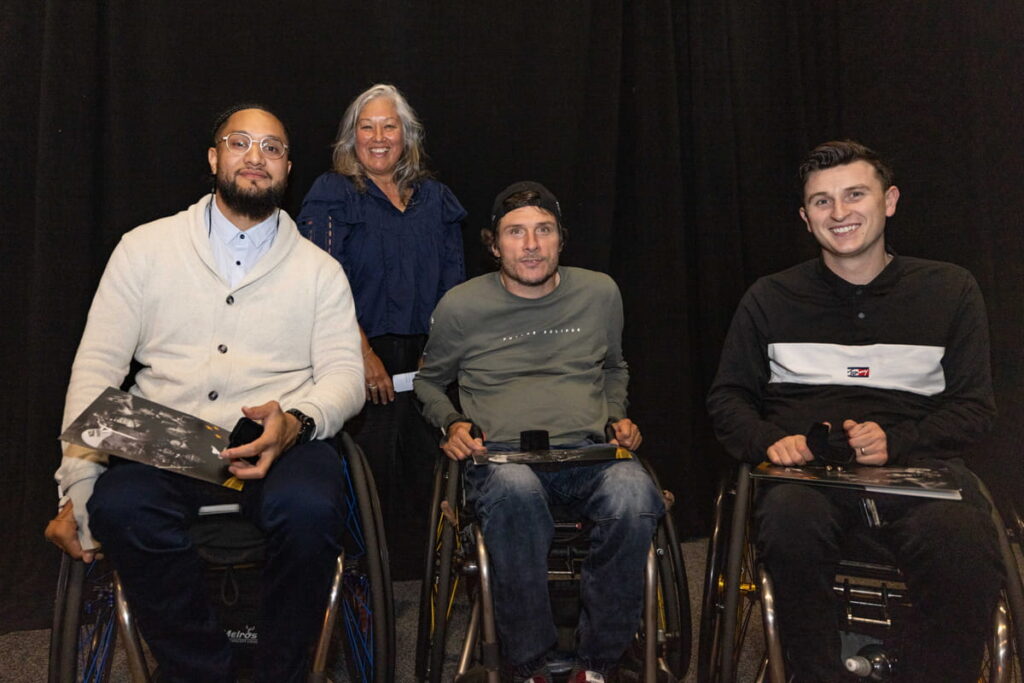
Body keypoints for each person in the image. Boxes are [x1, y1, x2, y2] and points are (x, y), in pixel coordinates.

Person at [44, 103, 365, 683]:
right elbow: (96, 369)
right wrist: (77, 486)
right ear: (214, 157)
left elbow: (344, 375)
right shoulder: (144, 249)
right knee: (119, 507)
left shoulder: (320, 272)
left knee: (313, 509)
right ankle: (198, 668)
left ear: (287, 168)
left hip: (279, 439)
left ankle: (281, 672)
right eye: (240, 142)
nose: (255, 157)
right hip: (167, 436)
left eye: (271, 148)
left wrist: (297, 419)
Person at [706, 140, 1003, 682]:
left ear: (889, 201)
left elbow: (973, 409)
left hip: (920, 476)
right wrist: (770, 441)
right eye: (822, 202)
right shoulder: (770, 298)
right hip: (806, 481)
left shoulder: (950, 289)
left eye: (854, 195)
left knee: (964, 542)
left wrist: (899, 441)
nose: (839, 213)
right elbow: (727, 399)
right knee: (790, 524)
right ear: (805, 216)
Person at [414, 181, 664, 683]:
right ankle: (532, 664)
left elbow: (615, 367)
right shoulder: (462, 306)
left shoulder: (599, 292)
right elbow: (428, 382)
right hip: (504, 461)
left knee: (636, 492)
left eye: (543, 231)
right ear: (493, 244)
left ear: (560, 239)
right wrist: (453, 422)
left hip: (591, 455)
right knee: (514, 493)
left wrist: (617, 414)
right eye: (516, 233)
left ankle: (596, 665)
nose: (530, 245)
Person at [298, 83, 466, 579]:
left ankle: (425, 579)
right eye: (365, 126)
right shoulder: (332, 192)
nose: (377, 136)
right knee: (368, 473)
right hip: (356, 351)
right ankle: (362, 581)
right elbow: (319, 280)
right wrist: (361, 351)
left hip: (428, 356)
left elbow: (453, 286)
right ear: (351, 138)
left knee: (426, 469)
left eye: (388, 125)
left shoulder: (436, 198)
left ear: (406, 135)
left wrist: (440, 354)